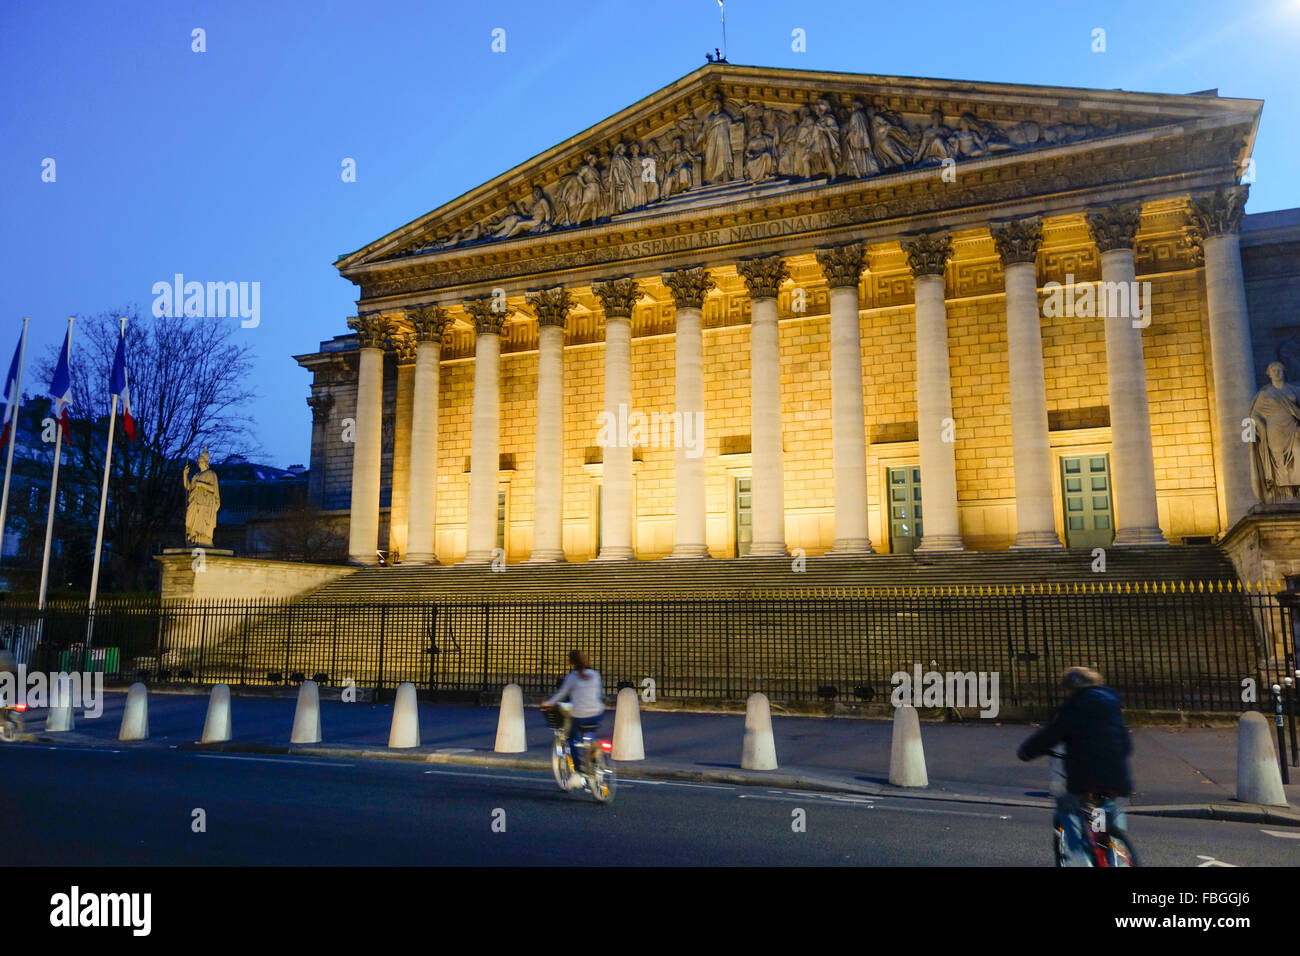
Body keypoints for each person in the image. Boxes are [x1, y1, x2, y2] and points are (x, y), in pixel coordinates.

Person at [1017, 666, 1137, 865]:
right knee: (1105, 816)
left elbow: (1049, 736)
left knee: (1067, 807)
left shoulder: (1074, 707)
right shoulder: (1112, 706)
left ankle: (1080, 860)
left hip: (1086, 779)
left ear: (1071, 688)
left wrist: (1026, 751)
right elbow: (1126, 745)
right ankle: (1116, 855)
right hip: (1117, 777)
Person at [541, 650, 605, 790]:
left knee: (570, 739)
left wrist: (548, 704)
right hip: (597, 712)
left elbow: (561, 695)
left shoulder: (572, 677)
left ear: (572, 663)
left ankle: (578, 773)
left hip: (580, 715)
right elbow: (600, 694)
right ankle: (594, 750)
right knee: (590, 730)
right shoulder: (595, 675)